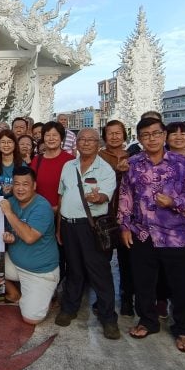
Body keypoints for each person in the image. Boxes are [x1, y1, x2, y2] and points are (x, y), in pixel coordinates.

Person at [118, 117, 185, 353]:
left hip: (177, 235)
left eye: (155, 133)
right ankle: (147, 321)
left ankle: (183, 329)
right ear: (140, 139)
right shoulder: (133, 164)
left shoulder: (181, 163)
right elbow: (126, 196)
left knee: (182, 286)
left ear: (164, 135)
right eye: (145, 135)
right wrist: (124, 225)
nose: (151, 139)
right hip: (143, 234)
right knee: (144, 283)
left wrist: (175, 202)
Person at [56, 129, 119, 338]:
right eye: (81, 139)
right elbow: (61, 197)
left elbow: (105, 196)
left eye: (90, 140)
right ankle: (69, 308)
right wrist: (59, 228)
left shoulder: (106, 169)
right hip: (68, 225)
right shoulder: (68, 166)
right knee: (74, 270)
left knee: (99, 272)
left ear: (98, 144)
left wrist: (98, 197)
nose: (85, 143)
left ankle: (108, 318)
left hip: (91, 227)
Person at [0, 167, 60, 324]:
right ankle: (14, 292)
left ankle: (47, 292)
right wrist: (10, 237)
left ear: (34, 186)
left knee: (31, 319)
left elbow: (29, 237)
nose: (20, 188)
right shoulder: (11, 201)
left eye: (25, 184)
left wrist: (8, 213)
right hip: (14, 263)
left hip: (39, 271)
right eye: (16, 184)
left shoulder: (42, 207)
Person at [100, 119, 134, 316]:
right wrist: (116, 171)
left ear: (124, 135)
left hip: (128, 215)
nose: (114, 136)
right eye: (110, 133)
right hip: (104, 213)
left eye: (118, 133)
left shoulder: (134, 156)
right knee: (102, 258)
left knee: (126, 259)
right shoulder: (99, 156)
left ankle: (127, 296)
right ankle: (104, 298)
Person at [29, 121, 73, 212]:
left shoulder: (71, 161)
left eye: (55, 135)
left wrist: (58, 208)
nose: (51, 138)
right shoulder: (37, 160)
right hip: (40, 211)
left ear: (61, 138)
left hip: (65, 213)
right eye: (47, 135)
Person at [0, 130, 24, 197]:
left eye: (9, 142)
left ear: (15, 144)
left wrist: (13, 188)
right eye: (3, 142)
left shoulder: (22, 165)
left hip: (16, 202)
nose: (6, 145)